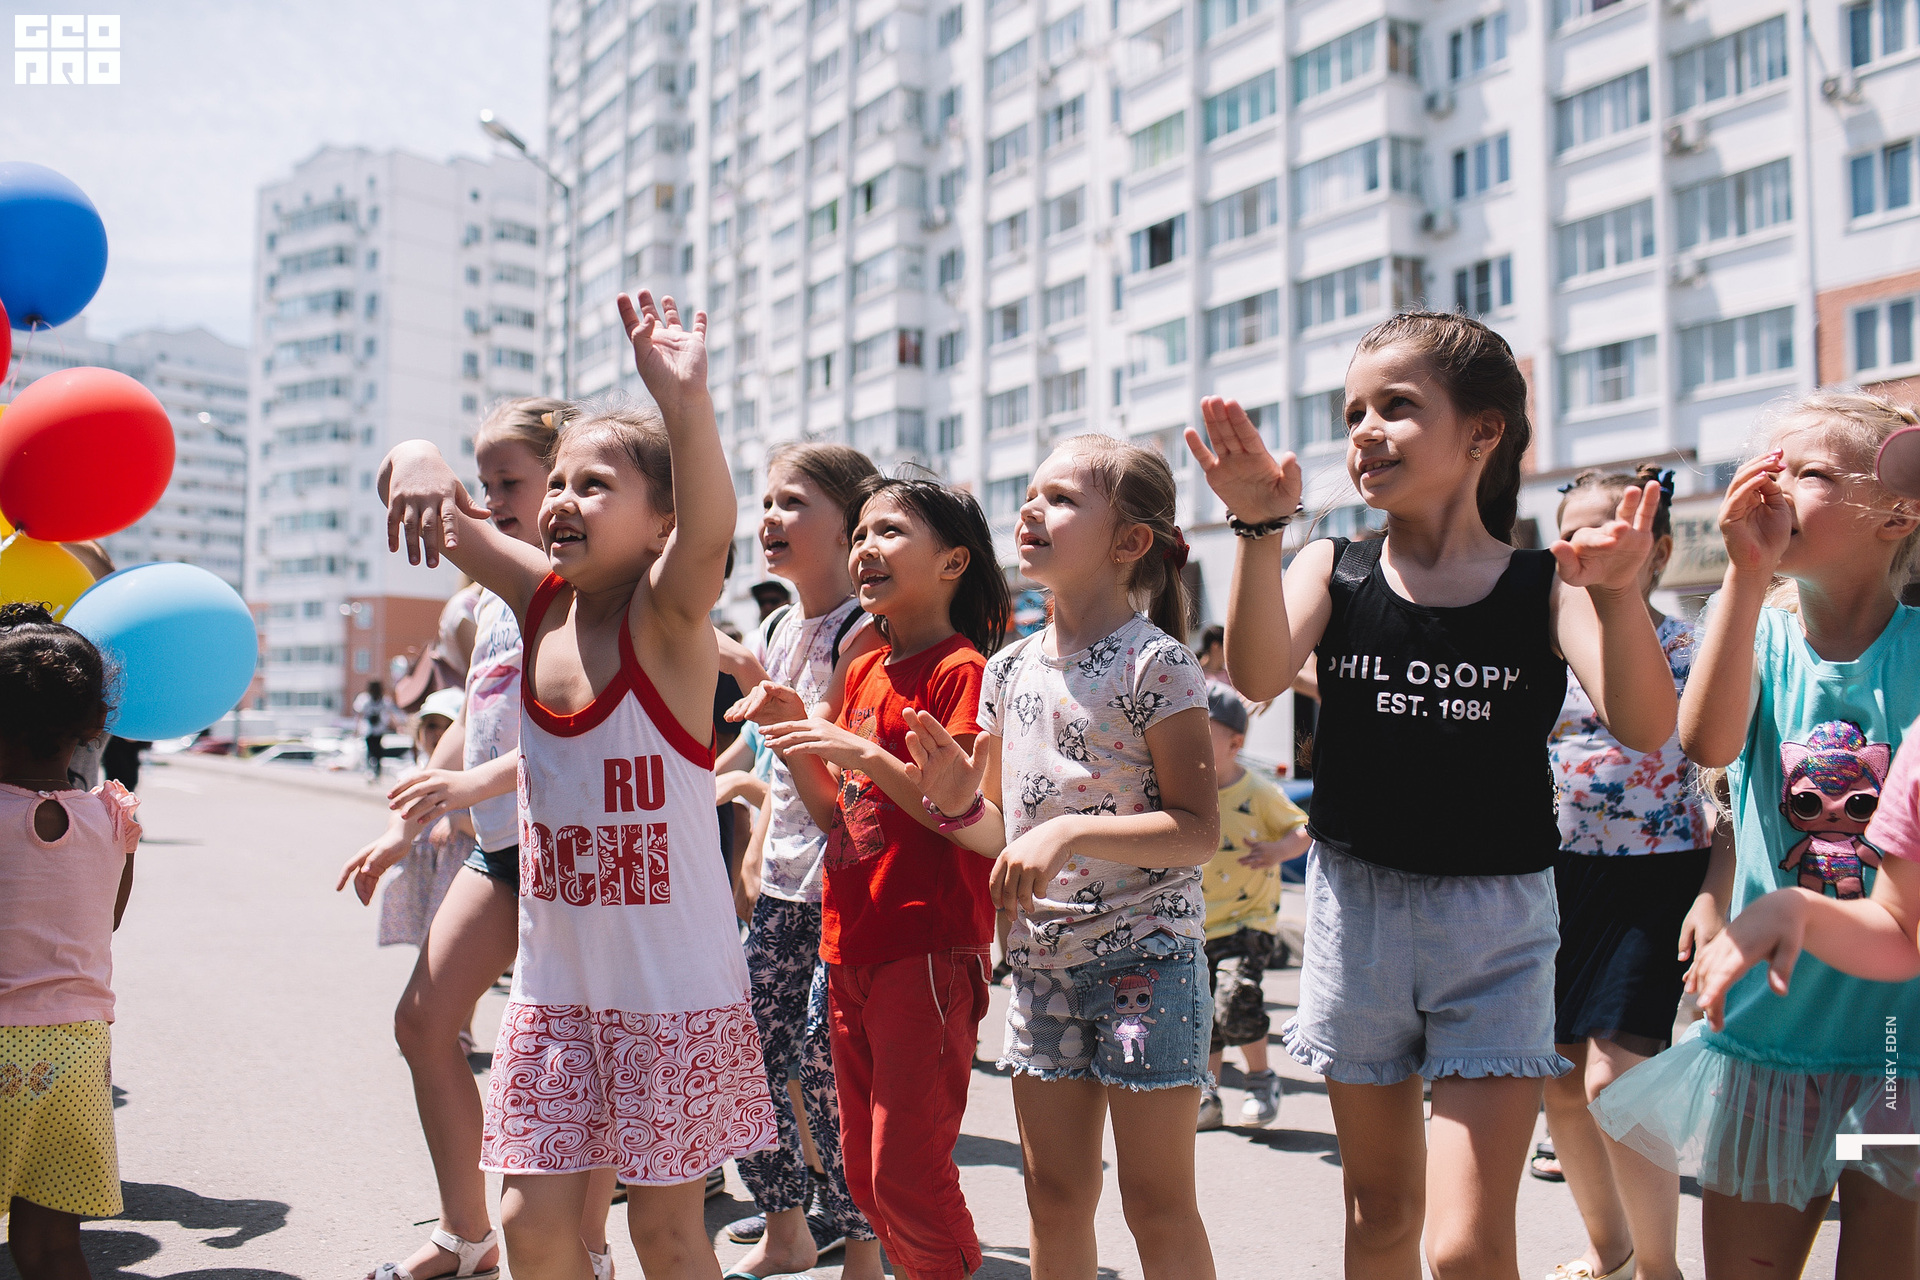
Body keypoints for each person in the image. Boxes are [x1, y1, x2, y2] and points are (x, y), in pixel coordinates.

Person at [1185, 311, 1677, 1280]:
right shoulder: (1334, 565)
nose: (1365, 431)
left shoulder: (1545, 584)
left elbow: (1645, 722)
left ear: (1483, 431)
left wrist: (1619, 595)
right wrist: (1256, 530)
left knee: (1465, 1247)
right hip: (1357, 915)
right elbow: (1258, 671)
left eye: (1397, 406)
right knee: (1380, 1219)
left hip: (1496, 928)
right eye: (1353, 413)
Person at [380, 291, 776, 1280]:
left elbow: (712, 527)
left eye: (595, 484)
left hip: (670, 1000)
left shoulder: (668, 620)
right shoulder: (538, 601)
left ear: (660, 523)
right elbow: (434, 500)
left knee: (667, 1237)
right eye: (556, 481)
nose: (561, 499)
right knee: (532, 1226)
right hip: (556, 993)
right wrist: (418, 455)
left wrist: (684, 402)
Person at [1592, 390, 1920, 1279]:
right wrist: (1742, 575)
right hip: (1769, 1039)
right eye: (1767, 469)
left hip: (1902, 1053)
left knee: (1881, 1264)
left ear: (1896, 515)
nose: (1774, 490)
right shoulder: (1757, 633)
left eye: (1811, 474)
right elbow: (1708, 743)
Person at [902, 436, 1221, 1279]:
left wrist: (1068, 831)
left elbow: (1197, 830)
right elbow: (1002, 833)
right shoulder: (1007, 667)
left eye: (1063, 497)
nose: (1030, 509)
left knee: (1156, 1203)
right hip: (1041, 967)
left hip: (1146, 966)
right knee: (1053, 1196)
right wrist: (956, 804)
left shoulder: (1157, 661)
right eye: (1031, 492)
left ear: (1131, 542)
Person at [340, 397, 626, 1280]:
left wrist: (470, 785)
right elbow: (478, 716)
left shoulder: (591, 590)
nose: (494, 498)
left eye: (510, 481)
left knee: (582, 1062)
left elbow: (580, 733)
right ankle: (467, 1235)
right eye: (484, 481)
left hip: (573, 857)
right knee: (424, 1022)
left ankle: (588, 1251)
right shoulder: (488, 599)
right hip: (499, 850)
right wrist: (405, 823)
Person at [756, 474, 1008, 1280]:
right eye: (860, 533)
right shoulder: (865, 668)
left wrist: (864, 754)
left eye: (890, 531)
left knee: (906, 1170)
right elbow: (834, 813)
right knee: (864, 1179)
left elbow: (956, 813)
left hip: (926, 947)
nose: (866, 547)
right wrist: (791, 735)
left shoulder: (963, 670)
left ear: (954, 562)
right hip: (849, 944)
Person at [1536, 466, 1717, 1280]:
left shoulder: (1693, 649)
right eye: (1568, 532)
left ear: (1659, 551)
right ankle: (1608, 1247)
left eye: (1604, 527)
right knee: (1562, 1079)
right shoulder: (1540, 648)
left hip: (1659, 878)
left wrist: (1717, 887)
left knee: (1617, 1076)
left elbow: (1730, 779)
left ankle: (1660, 1266)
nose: (1582, 545)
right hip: (1551, 879)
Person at [715, 443, 884, 1279]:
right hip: (783, 889)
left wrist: (748, 674)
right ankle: (786, 1229)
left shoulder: (866, 632)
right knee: (740, 1061)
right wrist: (739, 824)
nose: (770, 519)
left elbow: (842, 768)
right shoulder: (781, 626)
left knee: (824, 1073)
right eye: (766, 503)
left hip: (845, 891)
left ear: (851, 526)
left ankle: (863, 1245)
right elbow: (763, 754)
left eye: (793, 503)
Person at [0, 603, 142, 1280]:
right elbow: (105, 917)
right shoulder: (113, 817)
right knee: (54, 1247)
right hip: (75, 1051)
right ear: (91, 725)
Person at [1197, 682, 1309, 1132]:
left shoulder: (1256, 791)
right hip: (1196, 925)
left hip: (1247, 921)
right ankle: (1208, 1094)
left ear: (1235, 743)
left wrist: (1276, 851)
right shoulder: (1185, 791)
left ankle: (1261, 1078)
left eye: (1201, 733)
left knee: (1235, 1001)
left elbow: (1303, 828)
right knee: (1203, 1014)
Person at [376, 690, 474, 953]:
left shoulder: (471, 779)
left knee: (457, 945)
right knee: (429, 944)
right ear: (418, 732)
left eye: (447, 726)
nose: (438, 734)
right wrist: (395, 835)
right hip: (423, 874)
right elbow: (398, 814)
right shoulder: (411, 774)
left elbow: (494, 829)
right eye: (431, 725)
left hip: (457, 873)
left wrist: (459, 822)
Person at [356, 681, 400, 779]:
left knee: (376, 751)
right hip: (369, 729)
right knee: (372, 750)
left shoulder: (383, 700)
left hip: (377, 729)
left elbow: (390, 714)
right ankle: (372, 770)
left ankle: (375, 770)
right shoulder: (365, 700)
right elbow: (360, 715)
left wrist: (396, 726)